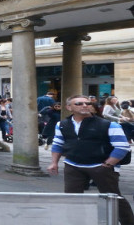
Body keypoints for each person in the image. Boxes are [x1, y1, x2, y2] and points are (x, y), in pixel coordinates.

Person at [49, 94, 134, 224]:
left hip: (101, 166)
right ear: (69, 107)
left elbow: (122, 147)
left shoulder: (109, 125)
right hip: (73, 165)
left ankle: (128, 222)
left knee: (114, 197)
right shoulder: (62, 124)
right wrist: (54, 163)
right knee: (72, 198)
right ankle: (76, 222)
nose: (85, 105)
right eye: (79, 103)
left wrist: (108, 164)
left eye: (87, 103)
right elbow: (58, 144)